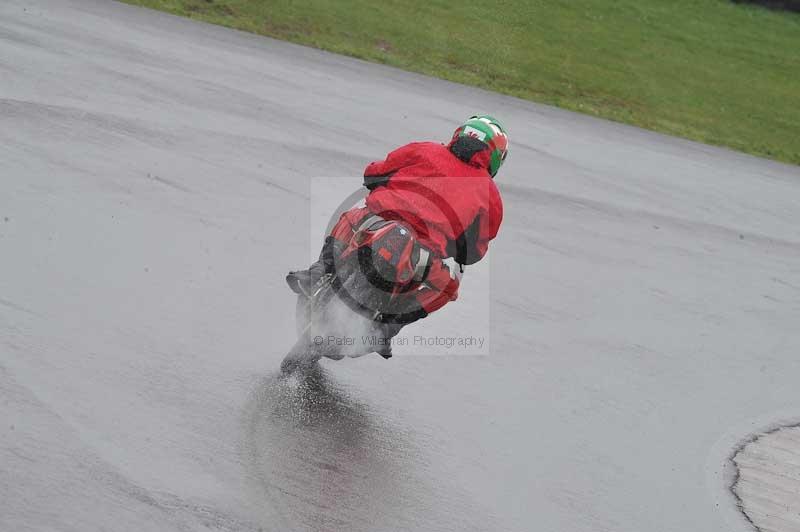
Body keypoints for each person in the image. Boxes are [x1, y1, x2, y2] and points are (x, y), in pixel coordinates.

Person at [286, 115, 507, 358]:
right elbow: (475, 250)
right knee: (447, 289)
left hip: (375, 224)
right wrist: (453, 245)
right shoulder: (490, 195)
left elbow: (373, 173)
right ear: (496, 156)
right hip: (421, 256)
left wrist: (382, 185)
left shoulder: (425, 150)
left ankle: (317, 273)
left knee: (348, 217)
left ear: (459, 135)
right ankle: (387, 329)